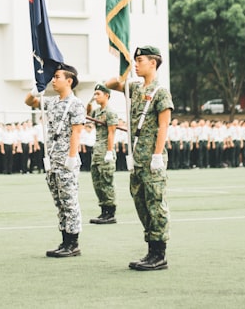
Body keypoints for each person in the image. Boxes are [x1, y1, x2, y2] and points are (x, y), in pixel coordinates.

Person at [106, 45, 172, 271]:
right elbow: (109, 85)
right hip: (137, 158)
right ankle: (150, 250)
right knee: (141, 203)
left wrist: (157, 155)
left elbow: (164, 125)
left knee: (155, 205)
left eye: (140, 60)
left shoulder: (160, 91)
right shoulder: (135, 88)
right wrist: (123, 70)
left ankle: (159, 254)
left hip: (152, 159)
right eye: (134, 60)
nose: (136, 63)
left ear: (153, 63)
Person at [24, 63, 84, 258]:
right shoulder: (52, 102)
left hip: (66, 159)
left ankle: (73, 242)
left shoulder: (76, 104)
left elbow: (76, 132)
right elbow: (29, 101)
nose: (53, 80)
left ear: (69, 80)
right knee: (59, 201)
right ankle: (64, 239)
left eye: (57, 76)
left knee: (70, 201)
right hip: (52, 159)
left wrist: (72, 157)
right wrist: (36, 88)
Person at [87, 83, 119, 225]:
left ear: (107, 95)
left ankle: (110, 212)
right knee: (97, 182)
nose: (96, 97)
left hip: (106, 150)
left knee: (106, 182)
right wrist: (90, 100)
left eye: (98, 94)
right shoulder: (97, 112)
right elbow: (87, 113)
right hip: (97, 151)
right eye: (95, 94)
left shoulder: (110, 112)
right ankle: (103, 211)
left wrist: (110, 152)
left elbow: (112, 132)